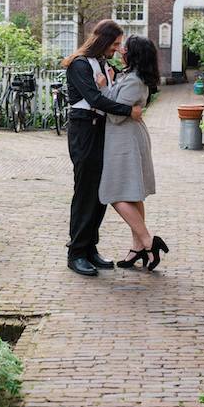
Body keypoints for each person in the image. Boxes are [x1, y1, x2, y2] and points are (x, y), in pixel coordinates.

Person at [62, 20, 143, 277]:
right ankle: (75, 253)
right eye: (115, 44)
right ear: (103, 40)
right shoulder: (79, 64)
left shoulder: (104, 64)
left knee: (100, 192)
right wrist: (129, 111)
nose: (118, 49)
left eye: (120, 45)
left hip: (101, 130)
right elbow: (95, 99)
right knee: (85, 190)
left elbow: (115, 90)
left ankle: (90, 248)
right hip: (84, 130)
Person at [97, 35, 169, 272]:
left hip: (124, 140)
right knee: (133, 194)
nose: (121, 51)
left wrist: (104, 88)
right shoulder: (133, 76)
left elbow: (117, 115)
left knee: (114, 193)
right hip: (128, 137)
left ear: (134, 54)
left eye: (125, 48)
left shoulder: (133, 81)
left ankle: (148, 241)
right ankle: (137, 248)